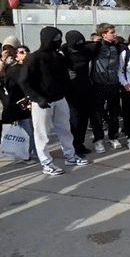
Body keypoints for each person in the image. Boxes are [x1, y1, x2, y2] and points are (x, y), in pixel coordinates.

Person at [20, 26, 90, 175]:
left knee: (65, 130)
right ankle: (46, 163)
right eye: (55, 39)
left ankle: (70, 156)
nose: (58, 42)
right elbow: (24, 81)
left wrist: (65, 89)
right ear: (47, 40)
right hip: (42, 103)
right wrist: (38, 98)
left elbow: (64, 76)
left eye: (59, 39)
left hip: (60, 99)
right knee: (42, 135)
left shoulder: (59, 57)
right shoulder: (33, 58)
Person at [89, 23, 129, 152]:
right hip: (98, 84)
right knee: (97, 114)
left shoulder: (118, 47)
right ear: (103, 34)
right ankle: (99, 139)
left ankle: (113, 137)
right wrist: (95, 42)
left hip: (113, 84)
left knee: (114, 113)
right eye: (112, 32)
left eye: (114, 31)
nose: (115, 34)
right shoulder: (97, 46)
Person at [62, 30, 95, 155]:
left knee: (83, 120)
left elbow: (98, 45)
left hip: (85, 87)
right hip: (70, 91)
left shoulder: (86, 50)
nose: (79, 44)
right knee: (74, 120)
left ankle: (79, 144)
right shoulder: (63, 52)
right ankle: (71, 146)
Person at [1, 45, 37, 161]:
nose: (24, 54)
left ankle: (30, 152)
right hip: (18, 105)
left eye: (26, 51)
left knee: (30, 130)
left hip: (28, 104)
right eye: (21, 52)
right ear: (16, 56)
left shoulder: (30, 67)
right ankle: (27, 153)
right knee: (27, 131)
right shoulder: (14, 70)